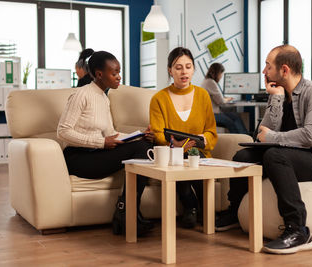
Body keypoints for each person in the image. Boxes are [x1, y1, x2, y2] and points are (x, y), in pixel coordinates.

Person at [216, 45, 312, 254]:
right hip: (289, 153)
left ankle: (298, 230)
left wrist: (273, 137)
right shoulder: (280, 94)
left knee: (274, 155)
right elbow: (262, 134)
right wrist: (275, 98)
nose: (264, 71)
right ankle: (234, 212)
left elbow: (311, 136)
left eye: (268, 66)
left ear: (284, 70)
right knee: (243, 156)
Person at [57, 51, 155, 236]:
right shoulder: (81, 95)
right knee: (142, 149)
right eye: (115, 73)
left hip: (95, 153)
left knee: (145, 146)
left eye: (119, 72)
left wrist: (140, 135)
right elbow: (62, 131)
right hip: (78, 158)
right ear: (99, 74)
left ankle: (127, 212)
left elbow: (111, 134)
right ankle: (127, 213)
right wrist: (101, 142)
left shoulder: (103, 97)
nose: (119, 77)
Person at [149, 47, 218, 228]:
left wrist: (202, 138)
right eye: (178, 67)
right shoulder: (159, 98)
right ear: (170, 71)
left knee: (192, 156)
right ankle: (192, 206)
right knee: (180, 157)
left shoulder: (203, 95)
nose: (184, 71)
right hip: (173, 155)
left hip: (199, 153)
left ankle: (198, 207)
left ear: (194, 69)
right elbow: (157, 133)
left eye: (188, 66)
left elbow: (212, 131)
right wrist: (175, 146)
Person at [201, 63, 248, 134]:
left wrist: (224, 98)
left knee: (235, 116)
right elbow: (221, 102)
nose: (221, 76)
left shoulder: (206, 81)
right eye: (221, 74)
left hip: (211, 113)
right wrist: (228, 99)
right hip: (212, 115)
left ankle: (244, 137)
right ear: (218, 73)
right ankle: (239, 140)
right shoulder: (211, 82)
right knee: (231, 122)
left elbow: (216, 98)